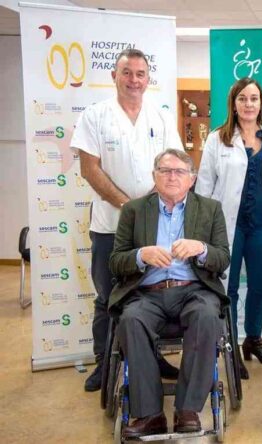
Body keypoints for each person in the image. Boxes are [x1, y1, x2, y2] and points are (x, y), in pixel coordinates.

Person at [71, 48, 183, 392]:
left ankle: (152, 357)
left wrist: (149, 205)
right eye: (127, 72)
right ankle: (104, 364)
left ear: (148, 79)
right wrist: (129, 205)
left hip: (155, 225)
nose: (134, 80)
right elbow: (89, 169)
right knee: (108, 296)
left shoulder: (160, 117)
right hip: (110, 225)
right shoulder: (95, 116)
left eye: (140, 74)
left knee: (149, 295)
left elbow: (174, 163)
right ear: (114, 76)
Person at [108, 149, 230, 438]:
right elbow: (115, 262)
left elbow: (223, 258)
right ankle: (150, 414)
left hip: (194, 290)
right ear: (155, 176)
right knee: (131, 320)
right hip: (146, 293)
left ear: (192, 179)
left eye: (179, 171)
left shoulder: (210, 209)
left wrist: (201, 249)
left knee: (206, 316)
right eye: (165, 170)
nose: (172, 176)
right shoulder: (134, 210)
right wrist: (140, 255)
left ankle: (187, 410)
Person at [196, 77, 262, 371]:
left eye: (254, 98)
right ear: (233, 104)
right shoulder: (217, 138)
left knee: (260, 284)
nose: (249, 104)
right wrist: (205, 228)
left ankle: (254, 340)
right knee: (229, 287)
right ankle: (231, 346)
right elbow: (204, 186)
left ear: (261, 104)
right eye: (242, 98)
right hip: (228, 226)